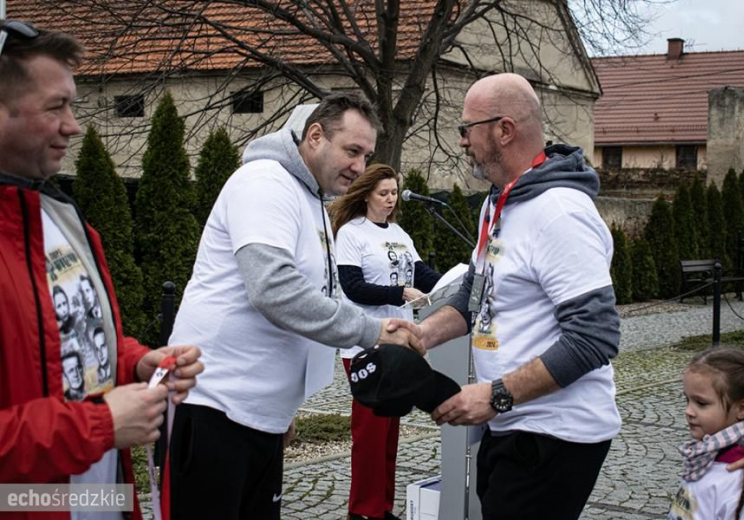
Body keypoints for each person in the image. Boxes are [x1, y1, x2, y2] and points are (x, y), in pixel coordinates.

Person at [167, 92, 423, 520]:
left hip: (258, 415)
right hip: (214, 405)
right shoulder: (264, 183)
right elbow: (274, 289)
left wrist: (282, 407)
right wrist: (373, 331)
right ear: (315, 136)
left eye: (366, 155)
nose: (360, 167)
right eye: (352, 151)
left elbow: (316, 294)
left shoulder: (311, 198)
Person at [0, 19, 203, 519]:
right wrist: (100, 425)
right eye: (56, 107)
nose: (73, 125)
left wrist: (136, 362)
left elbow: (70, 339)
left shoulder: (65, 220)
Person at [416, 73, 622, 519]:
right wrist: (421, 335)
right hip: (511, 422)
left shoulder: (560, 212)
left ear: (504, 130)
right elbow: (476, 292)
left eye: (467, 128)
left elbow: (595, 337)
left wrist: (494, 396)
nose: (461, 140)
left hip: (556, 433)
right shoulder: (499, 201)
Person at [329, 163, 442, 520]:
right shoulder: (351, 233)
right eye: (383, 193)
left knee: (390, 431)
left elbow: (421, 273)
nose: (391, 199)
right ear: (366, 195)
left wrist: (455, 283)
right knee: (370, 433)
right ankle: (363, 510)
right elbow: (353, 287)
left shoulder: (399, 233)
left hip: (400, 342)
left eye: (394, 192)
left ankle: (383, 507)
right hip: (366, 342)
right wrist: (400, 292)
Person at [668, 348, 744, 520]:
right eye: (687, 400)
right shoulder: (703, 456)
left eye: (701, 403)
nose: (688, 411)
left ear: (742, 408)